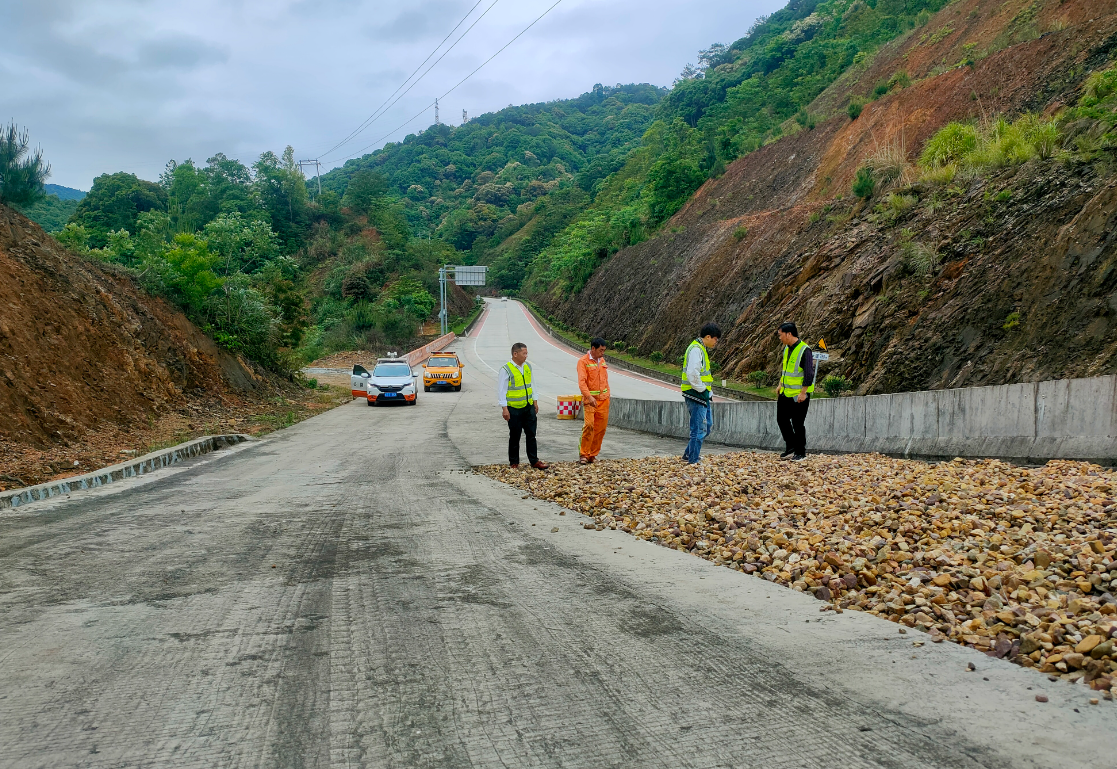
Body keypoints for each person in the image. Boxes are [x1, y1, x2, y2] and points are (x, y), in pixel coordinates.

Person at [497, 342, 548, 469]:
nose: (526, 356)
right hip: (513, 409)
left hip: (528, 406)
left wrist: (535, 401)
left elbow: (533, 384)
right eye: (524, 353)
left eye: (526, 353)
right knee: (515, 435)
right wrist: (504, 408)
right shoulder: (506, 369)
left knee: (531, 434)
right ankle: (514, 462)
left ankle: (534, 460)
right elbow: (501, 390)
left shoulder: (527, 367)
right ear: (515, 354)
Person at [681, 323, 720, 464]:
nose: (716, 342)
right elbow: (692, 373)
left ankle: (688, 453)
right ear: (708, 337)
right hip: (696, 394)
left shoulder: (701, 348)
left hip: (703, 395)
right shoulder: (696, 350)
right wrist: (702, 389)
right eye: (715, 339)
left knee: (707, 426)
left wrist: (707, 392)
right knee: (698, 429)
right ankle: (693, 459)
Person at [776, 321, 814, 461]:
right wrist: (780, 384)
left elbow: (809, 374)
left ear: (789, 334)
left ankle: (800, 452)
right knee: (781, 419)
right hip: (785, 393)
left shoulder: (805, 350)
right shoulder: (787, 348)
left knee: (797, 423)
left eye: (781, 335)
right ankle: (791, 447)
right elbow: (785, 369)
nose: (779, 338)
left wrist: (803, 393)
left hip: (799, 395)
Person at [577, 337, 611, 464]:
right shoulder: (583, 362)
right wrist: (589, 397)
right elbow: (582, 382)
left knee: (600, 429)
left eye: (604, 350)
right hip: (590, 400)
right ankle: (584, 454)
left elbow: (605, 379)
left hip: (604, 400)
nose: (602, 353)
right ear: (593, 349)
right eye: (601, 350)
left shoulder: (601, 360)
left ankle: (593, 454)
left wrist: (607, 394)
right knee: (589, 426)